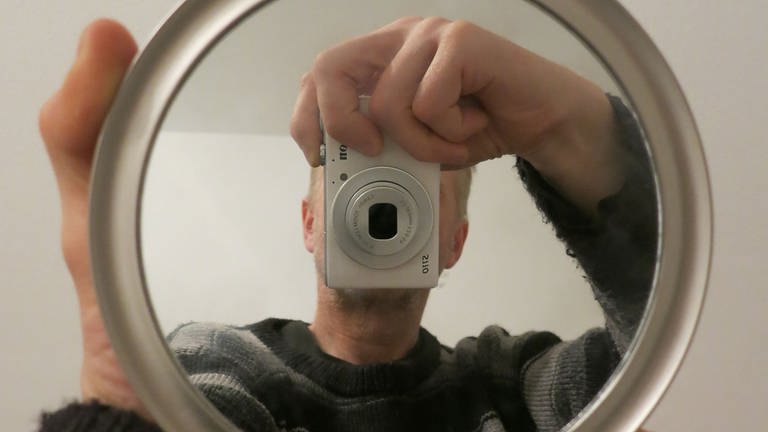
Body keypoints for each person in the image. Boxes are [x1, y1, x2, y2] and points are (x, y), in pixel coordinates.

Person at [38, 17, 656, 432]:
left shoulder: (509, 382)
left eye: (414, 188)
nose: (380, 205)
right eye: (355, 185)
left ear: (455, 242)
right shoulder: (223, 362)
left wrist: (563, 126)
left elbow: (653, 342)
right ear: (310, 224)